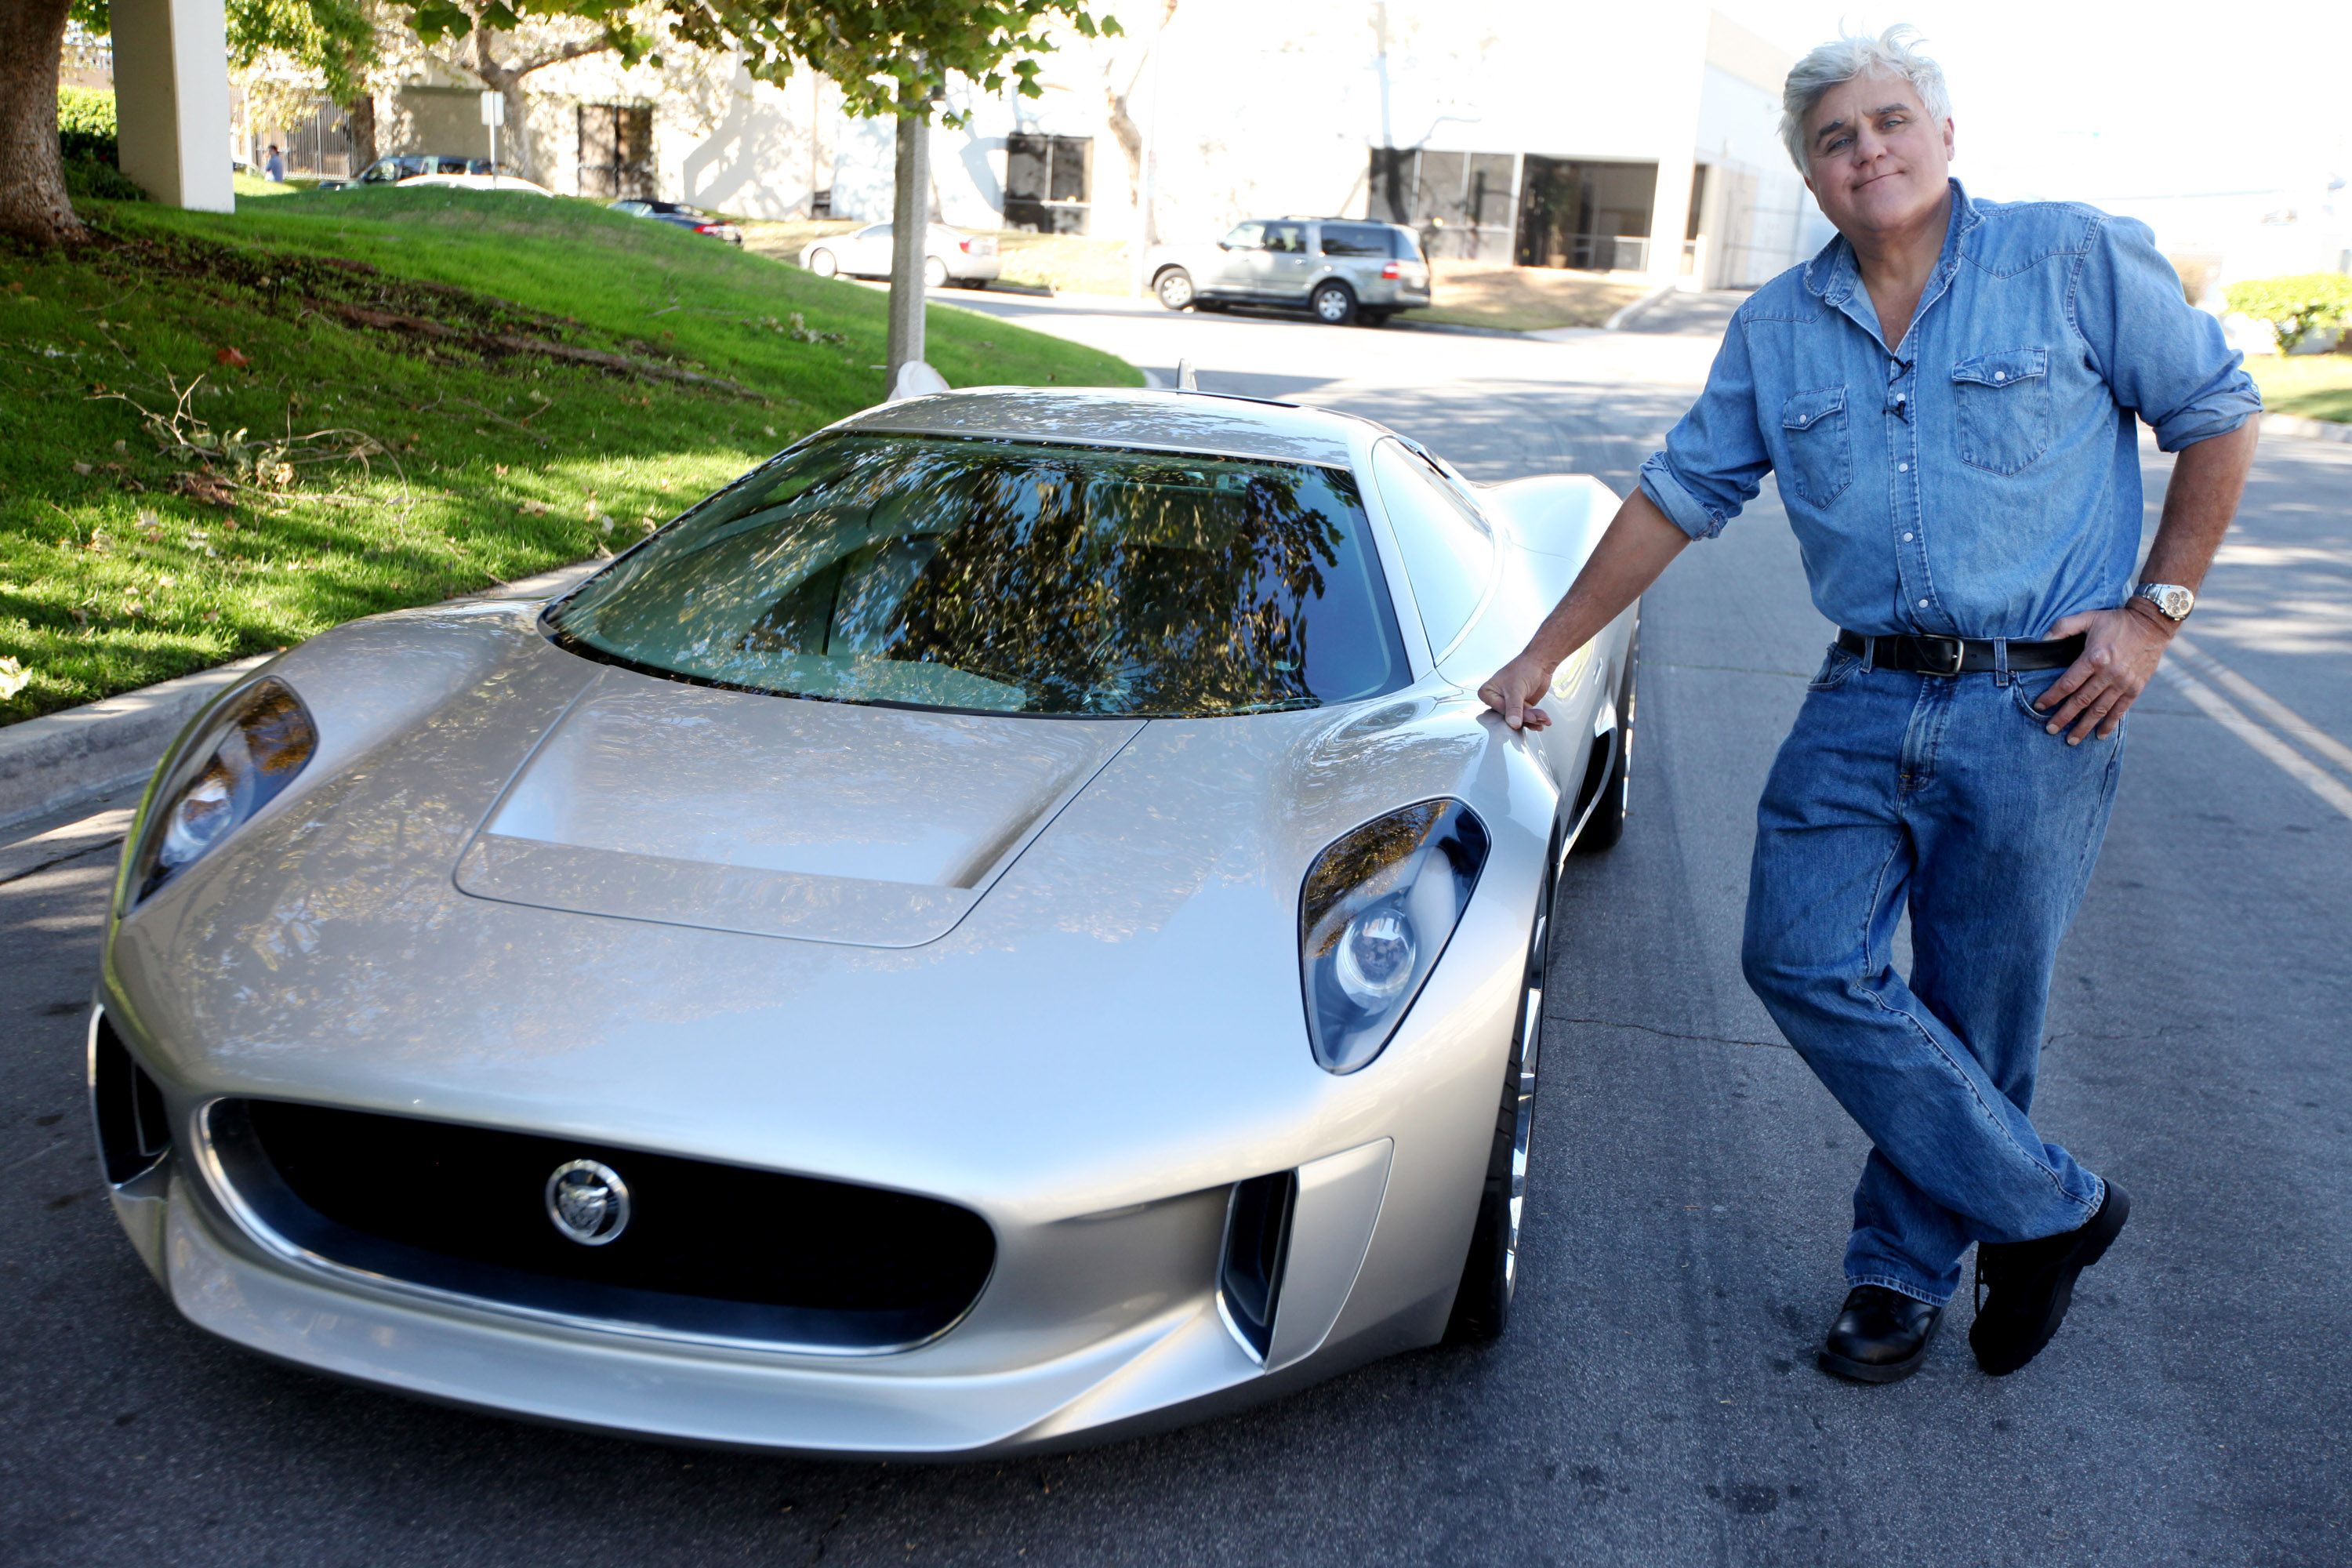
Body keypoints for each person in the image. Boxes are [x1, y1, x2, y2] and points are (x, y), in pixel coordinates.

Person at [1477, 27, 2259, 1383]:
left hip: (2041, 706)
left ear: (1944, 135)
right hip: (1861, 691)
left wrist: (2154, 615)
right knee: (1798, 956)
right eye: (1836, 139)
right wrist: (1544, 651)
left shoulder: (2070, 257)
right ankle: (2054, 1209)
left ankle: (1898, 1277)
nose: (1869, 152)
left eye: (1890, 121)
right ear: (1812, 176)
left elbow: (2218, 412)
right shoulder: (1780, 326)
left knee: (1976, 1010)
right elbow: (1679, 495)